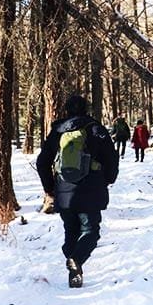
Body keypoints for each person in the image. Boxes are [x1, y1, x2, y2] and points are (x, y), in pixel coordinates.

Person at [37, 94, 119, 288]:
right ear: (85, 108)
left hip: (63, 191)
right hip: (91, 189)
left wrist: (50, 188)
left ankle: (74, 269)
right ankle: (76, 260)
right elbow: (111, 158)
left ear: (66, 109)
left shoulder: (57, 131)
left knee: (71, 231)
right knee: (91, 231)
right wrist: (107, 180)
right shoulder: (96, 129)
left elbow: (42, 162)